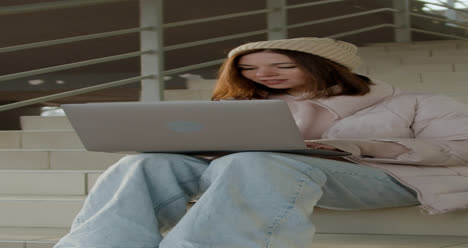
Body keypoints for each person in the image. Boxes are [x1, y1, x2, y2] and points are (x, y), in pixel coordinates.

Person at [54, 37, 468, 248]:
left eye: (282, 65)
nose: (262, 75)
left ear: (325, 66)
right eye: (250, 69)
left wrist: (362, 147)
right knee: (145, 164)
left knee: (255, 162)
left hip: (381, 176)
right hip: (261, 171)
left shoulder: (415, 102)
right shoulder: (246, 105)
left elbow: (460, 145)